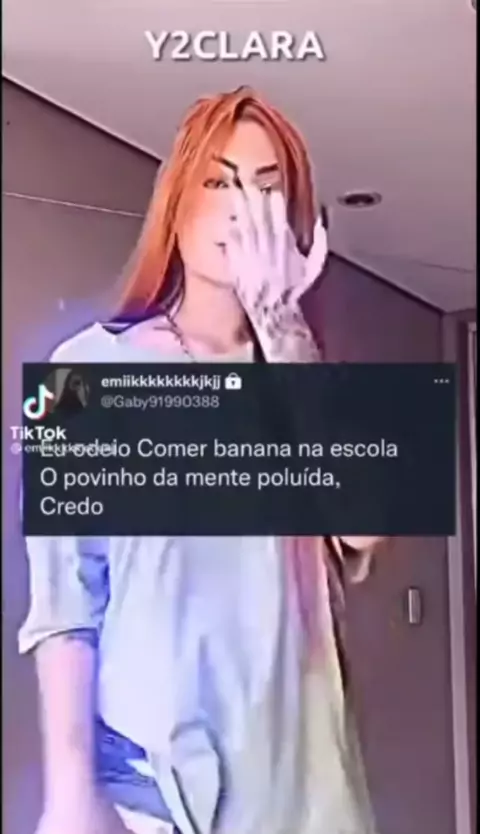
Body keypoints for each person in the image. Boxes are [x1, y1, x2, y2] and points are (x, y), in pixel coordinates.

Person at [19, 87, 385, 834]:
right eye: (219, 182)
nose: (241, 209)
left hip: (307, 793)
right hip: (150, 790)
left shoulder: (316, 381)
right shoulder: (75, 371)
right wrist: (69, 794)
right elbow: (63, 603)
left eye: (266, 189)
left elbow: (367, 525)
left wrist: (280, 324)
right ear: (176, 201)